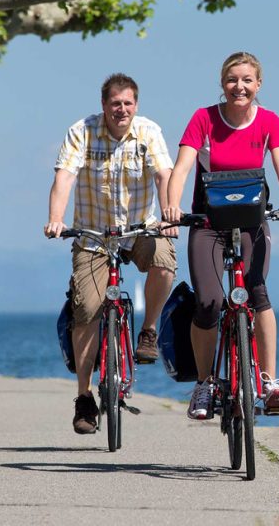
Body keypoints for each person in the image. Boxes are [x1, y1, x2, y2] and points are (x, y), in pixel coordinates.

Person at [162, 51, 279, 419]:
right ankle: (205, 384)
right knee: (209, 302)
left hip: (251, 223)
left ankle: (270, 383)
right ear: (222, 84)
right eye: (231, 80)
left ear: (259, 84)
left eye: (246, 80)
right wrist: (172, 207)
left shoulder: (269, 121)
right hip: (208, 224)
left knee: (257, 293)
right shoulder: (204, 118)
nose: (238, 87)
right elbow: (181, 168)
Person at [44, 73, 176, 434]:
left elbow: (164, 175)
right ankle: (84, 396)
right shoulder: (82, 132)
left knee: (165, 262)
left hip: (139, 230)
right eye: (115, 103)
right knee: (87, 308)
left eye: (128, 103)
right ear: (103, 105)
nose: (122, 109)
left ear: (136, 104)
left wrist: (169, 214)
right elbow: (64, 177)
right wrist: (56, 219)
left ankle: (148, 331)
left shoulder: (148, 131)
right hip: (94, 236)